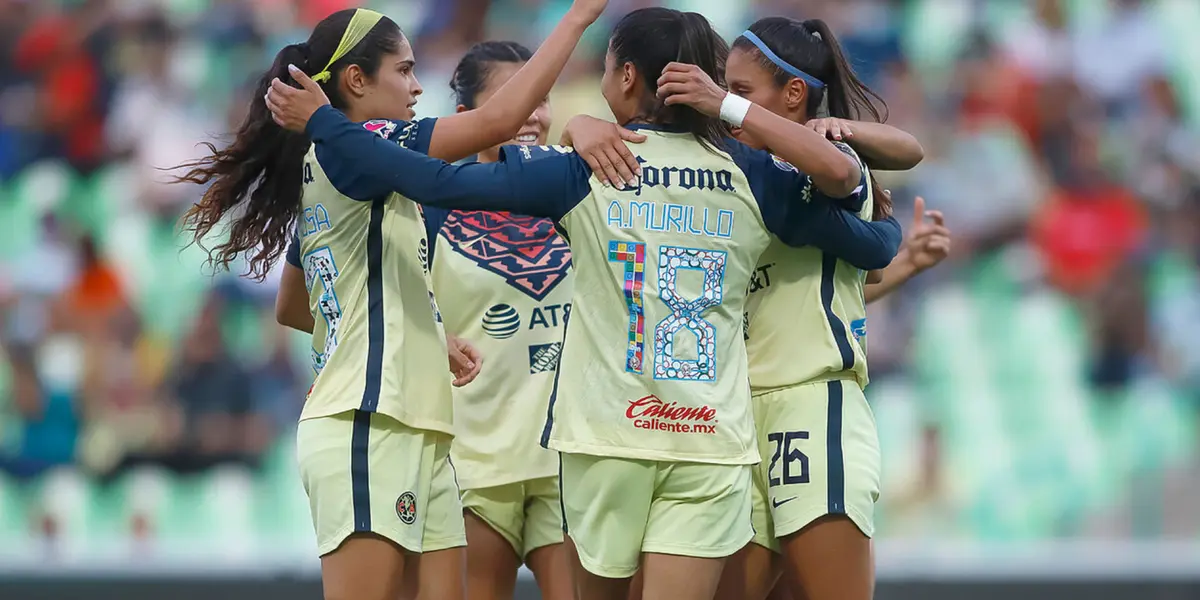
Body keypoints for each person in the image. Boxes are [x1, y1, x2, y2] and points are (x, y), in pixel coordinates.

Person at [265, 8, 904, 600]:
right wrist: (894, 236)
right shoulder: (753, 174)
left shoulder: (589, 169)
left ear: (627, 77)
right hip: (709, 441)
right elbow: (869, 238)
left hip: (605, 440)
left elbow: (436, 178)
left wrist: (323, 123)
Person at [176, 4, 609, 600]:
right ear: (357, 81)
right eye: (404, 71)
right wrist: (577, 20)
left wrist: (424, 332)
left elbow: (293, 307)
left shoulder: (347, 161)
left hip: (419, 427)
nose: (416, 84)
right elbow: (501, 117)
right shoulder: (363, 144)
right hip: (366, 421)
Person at [435, 41, 575, 600]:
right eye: (514, 98)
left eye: (542, 98)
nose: (532, 115)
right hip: (472, 461)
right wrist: (432, 334)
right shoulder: (430, 204)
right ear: (466, 118)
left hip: (570, 457)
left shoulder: (582, 193)